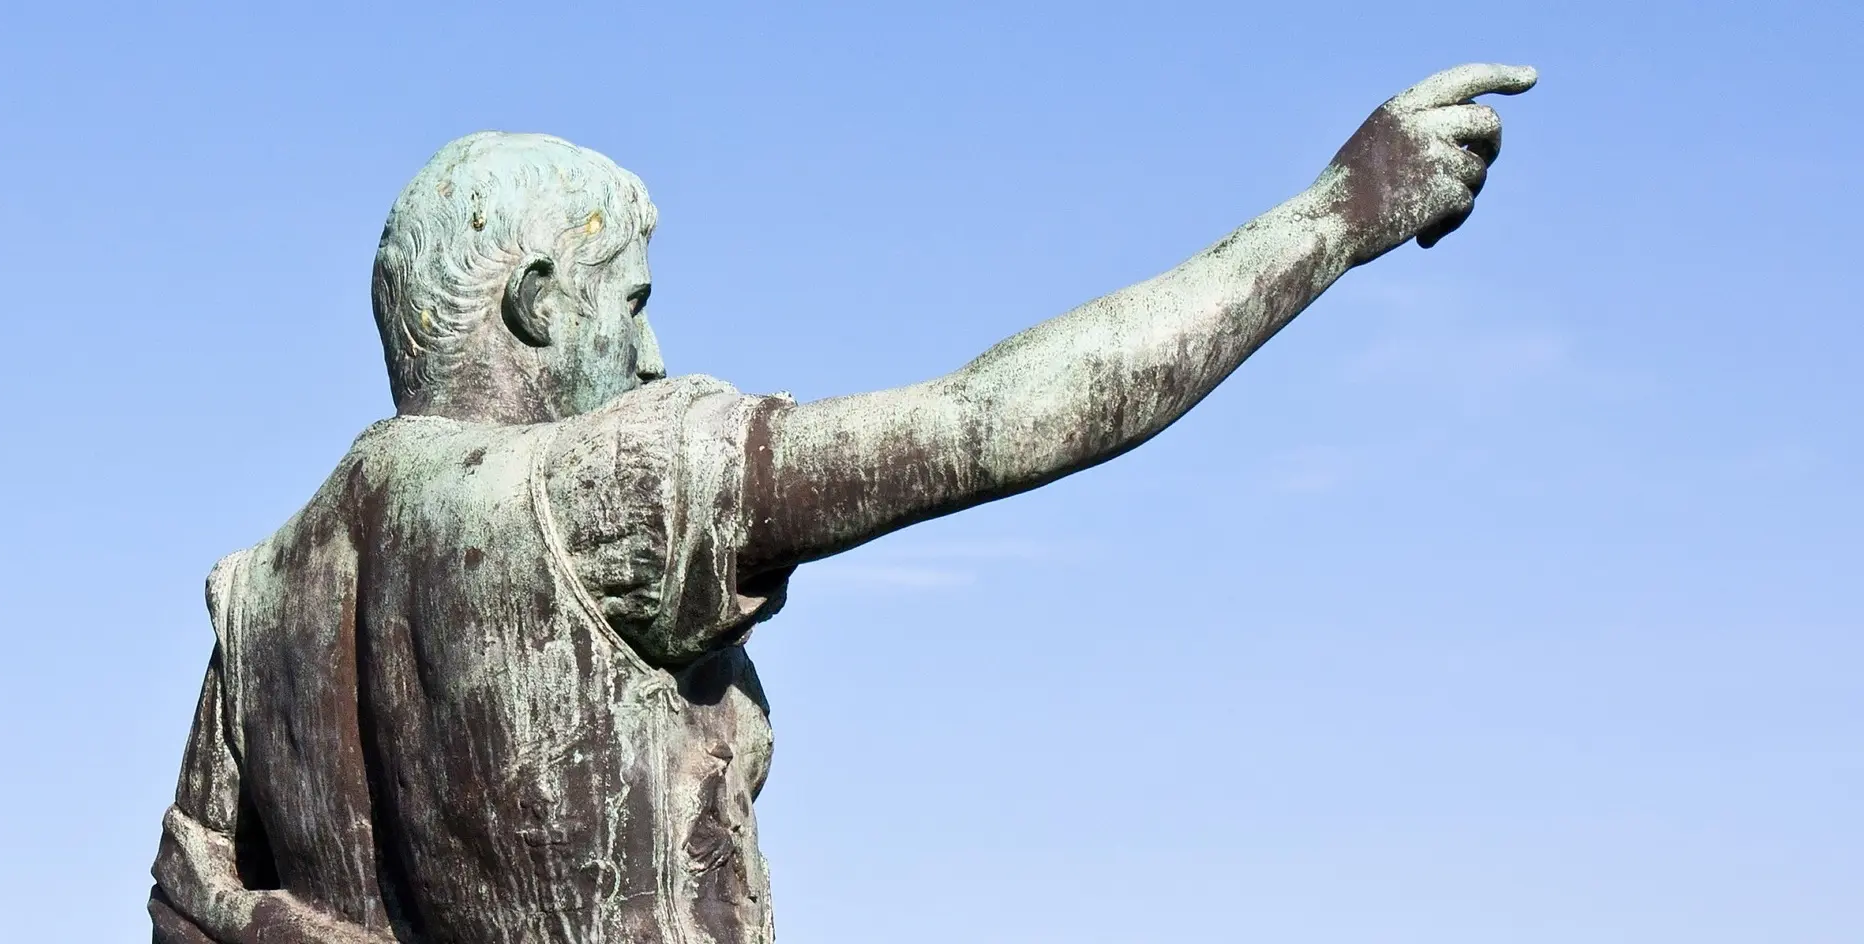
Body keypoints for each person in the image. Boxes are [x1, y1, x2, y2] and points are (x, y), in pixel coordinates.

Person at [149, 63, 1537, 944]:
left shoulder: (261, 595)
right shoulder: (601, 487)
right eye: (630, 303)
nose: (648, 353)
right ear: (537, 302)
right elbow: (995, 420)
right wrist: (1335, 218)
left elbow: (188, 909)